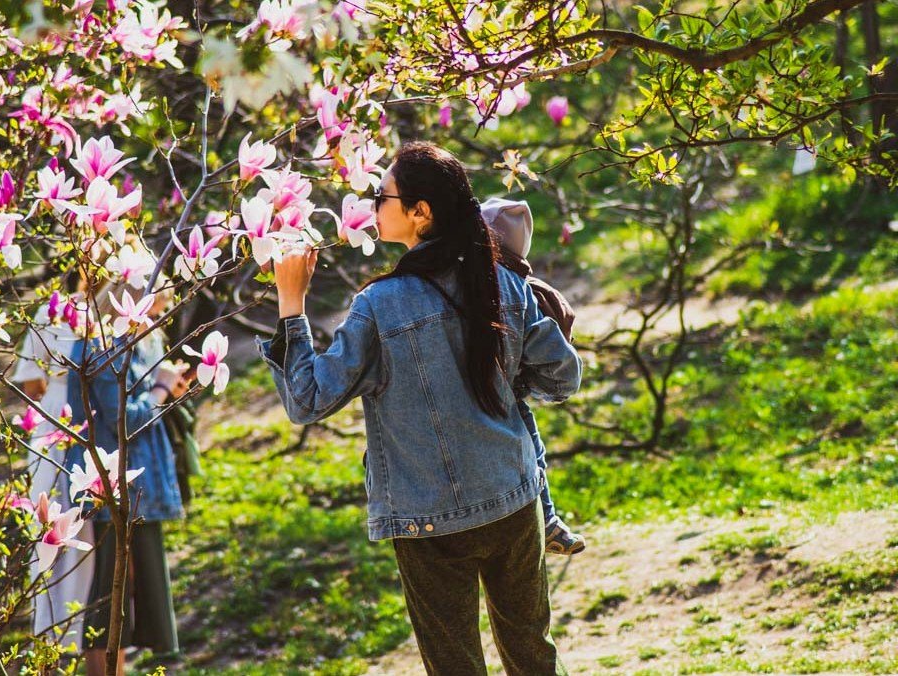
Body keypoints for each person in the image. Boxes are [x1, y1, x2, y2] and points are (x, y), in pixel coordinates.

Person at [259, 142, 580, 675]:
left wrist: (291, 304)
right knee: (534, 655)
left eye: (382, 196)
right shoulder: (501, 280)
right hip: (514, 496)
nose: (372, 204)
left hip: (427, 524)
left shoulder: (377, 306)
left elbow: (308, 400)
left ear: (420, 213)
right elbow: (562, 377)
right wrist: (507, 389)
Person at [64, 280, 191, 676]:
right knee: (109, 590)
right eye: (153, 304)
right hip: (110, 490)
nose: (157, 315)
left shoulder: (144, 341)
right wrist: (159, 391)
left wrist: (170, 387)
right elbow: (123, 421)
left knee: (133, 588)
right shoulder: (97, 348)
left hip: (143, 488)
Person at [481, 197, 586, 555]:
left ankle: (548, 520)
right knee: (532, 451)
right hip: (512, 387)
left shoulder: (496, 282)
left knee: (530, 452)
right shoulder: (524, 283)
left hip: (500, 383)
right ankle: (549, 519)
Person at [12, 269, 96, 654]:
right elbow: (32, 381)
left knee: (84, 528)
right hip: (56, 420)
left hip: (95, 418)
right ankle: (49, 626)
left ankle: (76, 630)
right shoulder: (53, 312)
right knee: (50, 518)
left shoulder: (107, 315)